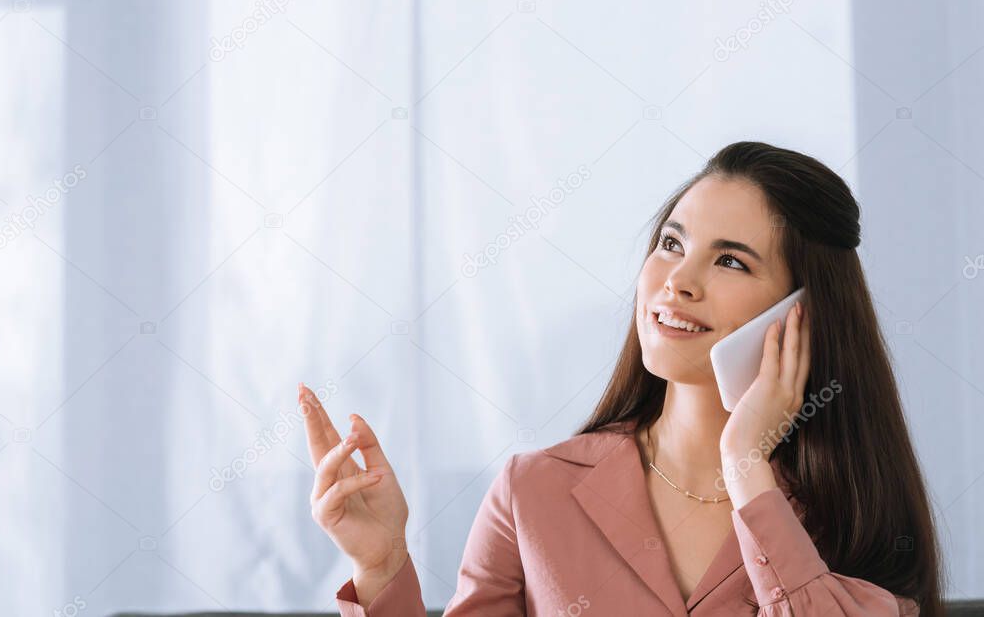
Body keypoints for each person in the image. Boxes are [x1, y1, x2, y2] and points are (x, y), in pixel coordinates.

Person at [302, 141, 942, 615]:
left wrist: (747, 465)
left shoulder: (850, 514)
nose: (677, 282)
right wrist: (381, 564)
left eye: (729, 261)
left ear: (800, 311)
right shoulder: (536, 491)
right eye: (671, 243)